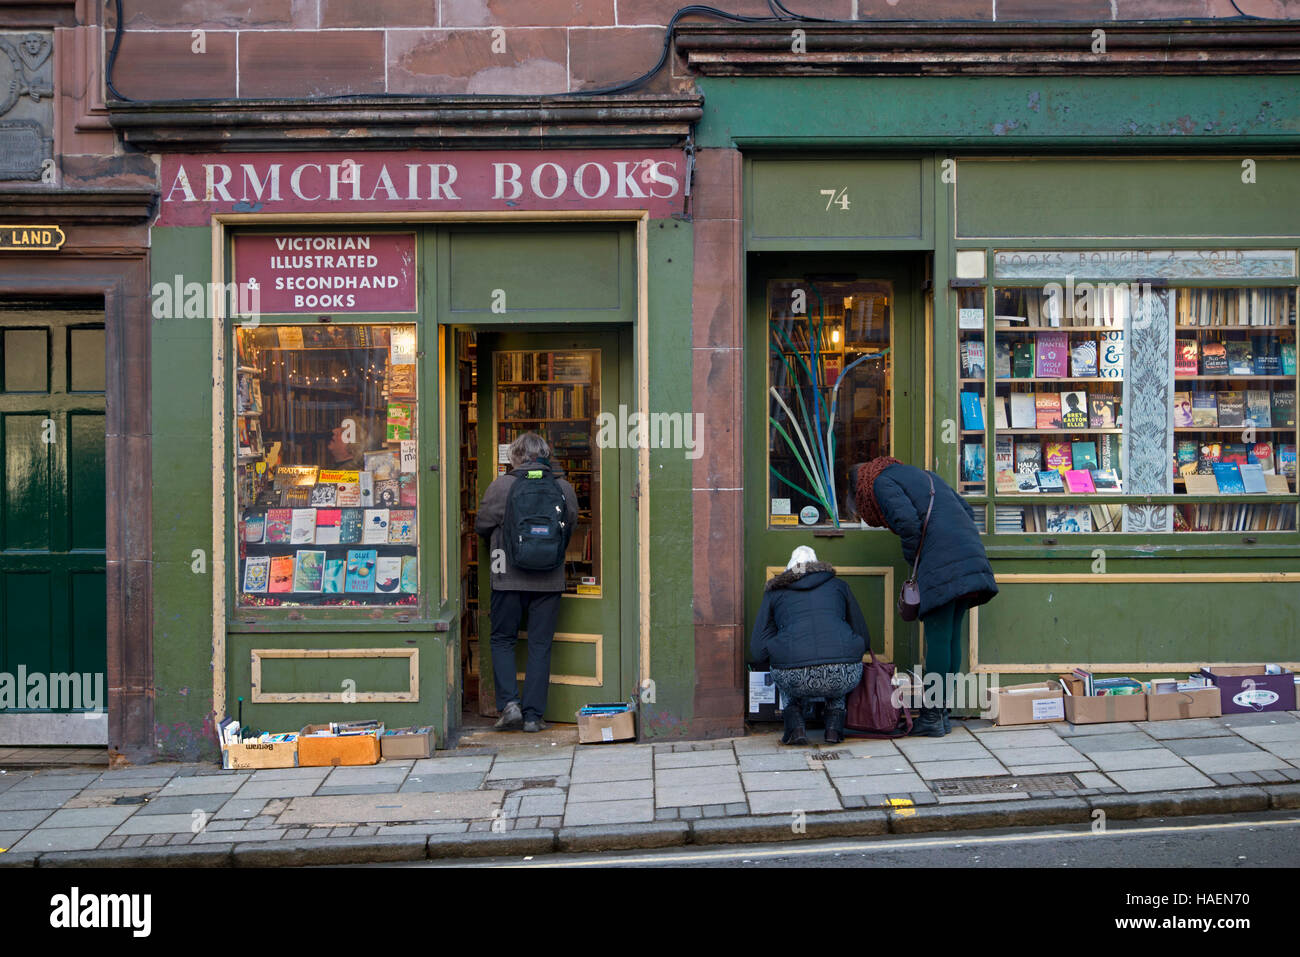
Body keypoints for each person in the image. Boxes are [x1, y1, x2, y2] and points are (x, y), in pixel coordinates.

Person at [855, 456, 998, 736]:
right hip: (968, 553)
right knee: (949, 636)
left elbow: (908, 524)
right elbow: (966, 511)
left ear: (862, 485)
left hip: (941, 561)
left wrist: (916, 562)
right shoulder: (925, 475)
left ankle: (932, 716)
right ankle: (940, 714)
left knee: (938, 639)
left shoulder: (881, 483)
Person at [475, 432, 579, 733]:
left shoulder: (501, 487)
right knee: (540, 644)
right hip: (549, 579)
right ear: (545, 455)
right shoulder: (563, 488)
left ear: (514, 457)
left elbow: (481, 524)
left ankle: (510, 705)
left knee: (502, 639)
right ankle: (534, 716)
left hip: (506, 577)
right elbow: (569, 527)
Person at [750, 545, 869, 746]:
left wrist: (780, 648)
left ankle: (795, 728)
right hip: (843, 675)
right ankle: (833, 729)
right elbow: (863, 636)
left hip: (794, 677)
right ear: (817, 566)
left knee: (783, 660)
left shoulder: (775, 592)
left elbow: (757, 649)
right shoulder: (839, 585)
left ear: (789, 570)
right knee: (837, 660)